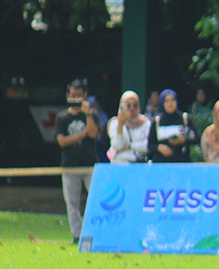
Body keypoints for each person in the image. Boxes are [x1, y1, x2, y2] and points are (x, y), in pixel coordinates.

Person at [55, 79, 98, 244]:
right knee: (72, 203)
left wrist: (88, 114)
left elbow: (93, 134)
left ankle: (92, 232)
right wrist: (81, 135)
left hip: (89, 164)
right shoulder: (62, 117)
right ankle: (77, 235)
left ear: (85, 96)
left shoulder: (92, 114)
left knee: (94, 200)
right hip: (70, 165)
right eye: (73, 95)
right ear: (68, 96)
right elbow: (62, 141)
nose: (76, 99)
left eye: (79, 96)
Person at [148, 89, 199, 163]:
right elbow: (150, 144)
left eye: (173, 100)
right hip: (161, 164)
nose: (170, 103)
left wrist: (183, 141)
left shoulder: (185, 119)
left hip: (182, 163)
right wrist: (159, 147)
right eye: (166, 101)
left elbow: (197, 138)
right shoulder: (157, 122)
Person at [107, 90, 152, 164]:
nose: (132, 108)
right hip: (120, 162)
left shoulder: (146, 123)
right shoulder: (115, 123)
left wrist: (130, 146)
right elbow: (117, 145)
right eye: (128, 105)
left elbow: (147, 146)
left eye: (135, 105)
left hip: (139, 163)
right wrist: (120, 124)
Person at [88, 95, 111, 163]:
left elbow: (105, 127)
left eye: (96, 104)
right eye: (93, 104)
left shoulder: (102, 114)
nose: (95, 106)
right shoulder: (86, 115)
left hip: (102, 142)